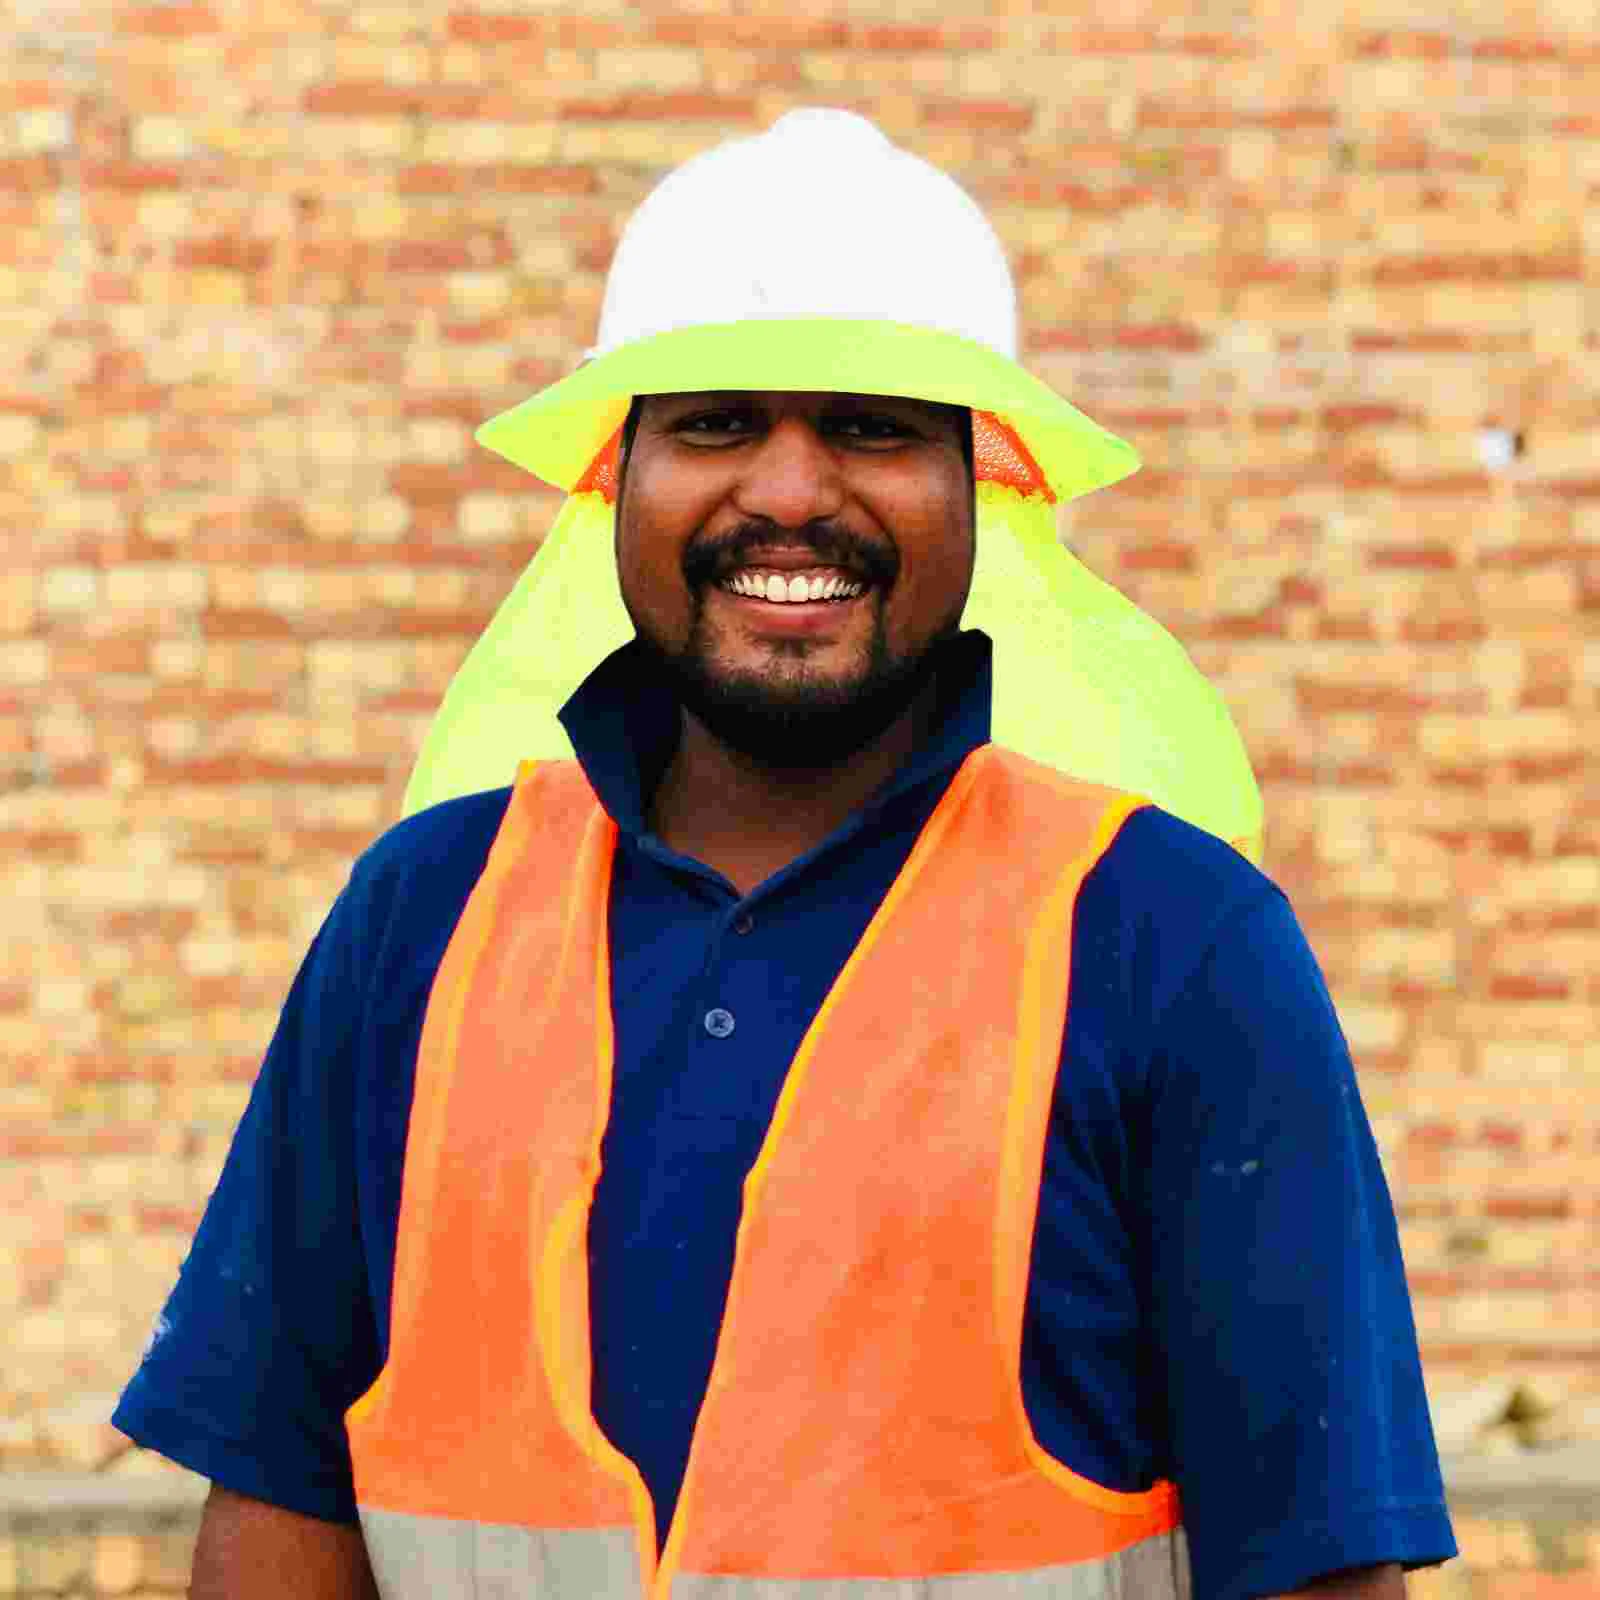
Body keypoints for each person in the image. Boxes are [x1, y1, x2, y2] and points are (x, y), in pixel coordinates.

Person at [114, 110, 1456, 1600]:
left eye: (875, 425)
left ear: (985, 480)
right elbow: (282, 1527)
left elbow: (1321, 1576)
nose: (794, 492)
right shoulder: (419, 924)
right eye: (716, 424)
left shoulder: (1175, 948)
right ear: (612, 478)